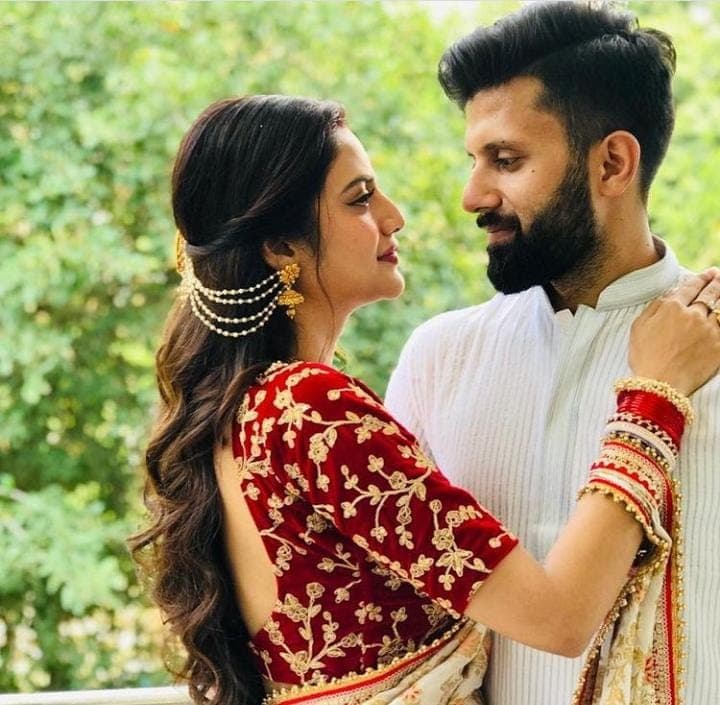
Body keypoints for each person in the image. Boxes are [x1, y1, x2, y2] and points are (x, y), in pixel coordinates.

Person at [129, 94, 720, 705]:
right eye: (359, 199)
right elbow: (560, 618)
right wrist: (655, 395)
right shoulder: (309, 409)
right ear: (281, 247)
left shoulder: (249, 412)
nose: (394, 216)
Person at [385, 3, 720, 704]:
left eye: (506, 160)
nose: (472, 195)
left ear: (613, 164)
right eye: (474, 160)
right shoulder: (440, 358)